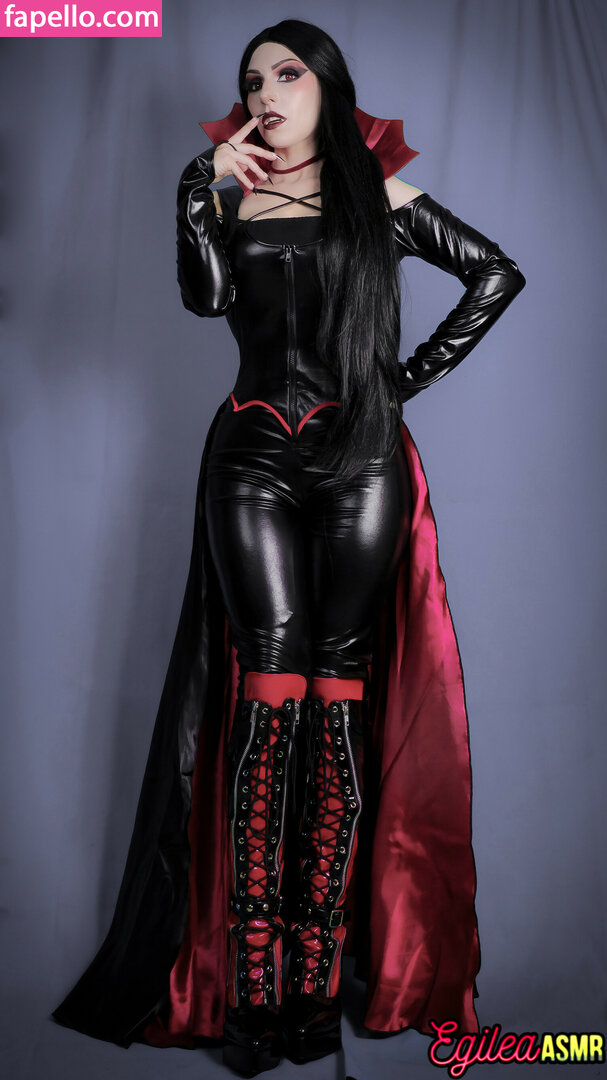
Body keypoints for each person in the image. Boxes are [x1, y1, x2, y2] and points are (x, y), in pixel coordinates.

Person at [51, 18, 526, 1079]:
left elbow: (496, 273)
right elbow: (208, 296)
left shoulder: (379, 197)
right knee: (267, 690)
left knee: (340, 690)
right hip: (252, 457)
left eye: (287, 74)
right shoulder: (228, 194)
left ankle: (313, 984)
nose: (265, 92)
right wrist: (199, 186)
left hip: (361, 462)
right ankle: (255, 988)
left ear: (327, 88)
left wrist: (400, 382)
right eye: (251, 79)